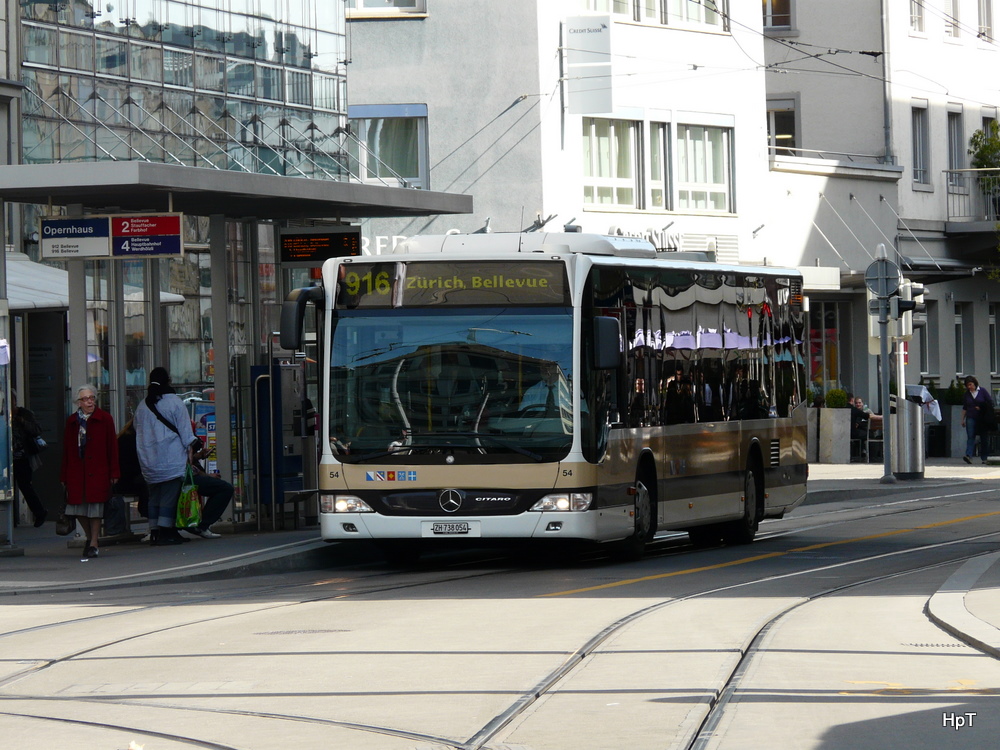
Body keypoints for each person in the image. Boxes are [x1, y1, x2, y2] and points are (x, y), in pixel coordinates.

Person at [134, 367, 199, 546]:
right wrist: (192, 451)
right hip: (170, 458)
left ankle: (154, 531)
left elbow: (136, 430)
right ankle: (166, 531)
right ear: (168, 381)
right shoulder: (175, 403)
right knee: (169, 497)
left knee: (154, 496)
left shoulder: (142, 405)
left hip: (149, 460)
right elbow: (186, 434)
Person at [59, 384, 119, 561]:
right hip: (77, 471)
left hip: (98, 470)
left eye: (92, 398)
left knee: (95, 509)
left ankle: (93, 542)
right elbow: (67, 450)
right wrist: (64, 475)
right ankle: (88, 537)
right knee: (77, 509)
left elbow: (112, 448)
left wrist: (114, 472)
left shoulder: (105, 419)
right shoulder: (72, 422)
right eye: (85, 399)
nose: (90, 401)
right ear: (79, 402)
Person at [11, 389, 47, 527]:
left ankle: (39, 512)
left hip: (22, 456)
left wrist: (21, 420)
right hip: (7, 457)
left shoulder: (24, 414)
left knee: (25, 485)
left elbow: (36, 430)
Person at [182, 444, 232, 539]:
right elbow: (186, 464)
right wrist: (206, 475)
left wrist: (198, 456)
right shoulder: (182, 433)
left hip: (166, 473)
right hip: (184, 475)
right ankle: (202, 526)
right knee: (225, 488)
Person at [113, 418, 149, 520]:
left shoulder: (123, 437)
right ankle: (149, 514)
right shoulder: (134, 440)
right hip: (129, 480)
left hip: (121, 480)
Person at [961, 375, 996, 465]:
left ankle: (984, 457)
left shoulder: (982, 391)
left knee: (984, 438)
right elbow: (965, 407)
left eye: (970, 384)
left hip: (982, 418)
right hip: (971, 417)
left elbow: (990, 403)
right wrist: (962, 419)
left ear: (974, 383)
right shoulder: (967, 394)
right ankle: (969, 455)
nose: (969, 387)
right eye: (967, 385)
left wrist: (981, 407)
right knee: (970, 436)